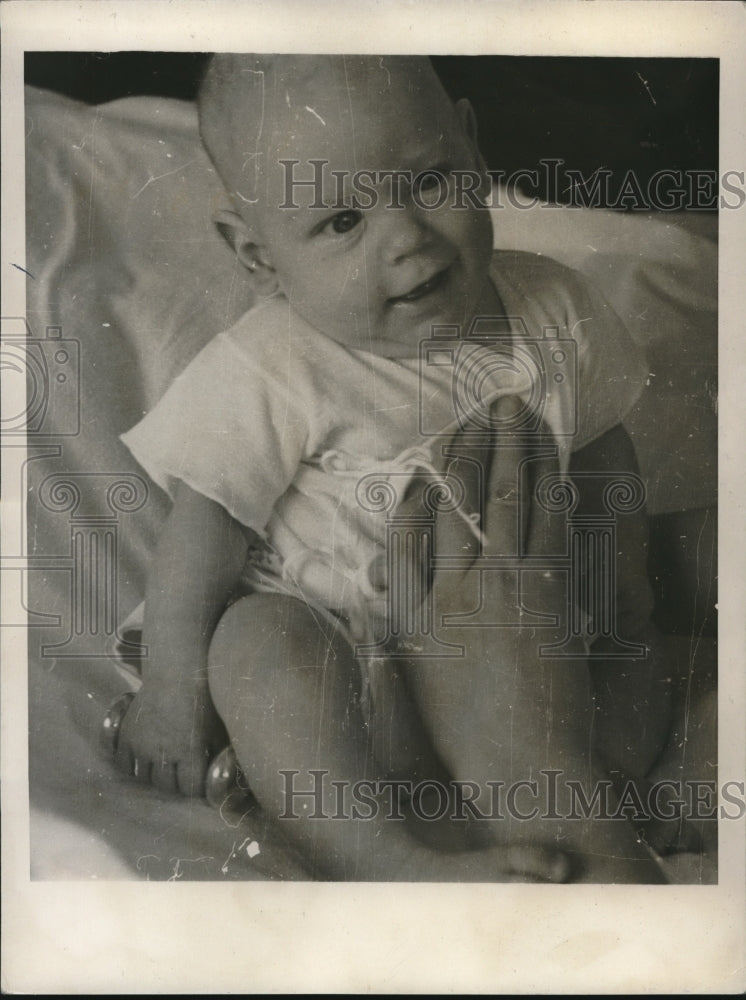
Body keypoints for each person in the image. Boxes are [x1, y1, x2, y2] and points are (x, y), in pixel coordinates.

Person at [112, 53, 676, 882]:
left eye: (430, 180)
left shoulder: (554, 311)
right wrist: (169, 692)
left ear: (474, 148)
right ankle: (383, 855)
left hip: (524, 663)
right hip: (348, 671)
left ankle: (607, 789)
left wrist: (620, 595)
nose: (407, 239)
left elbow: (602, 468)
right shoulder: (274, 367)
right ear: (258, 255)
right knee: (259, 642)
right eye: (343, 223)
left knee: (635, 630)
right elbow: (203, 536)